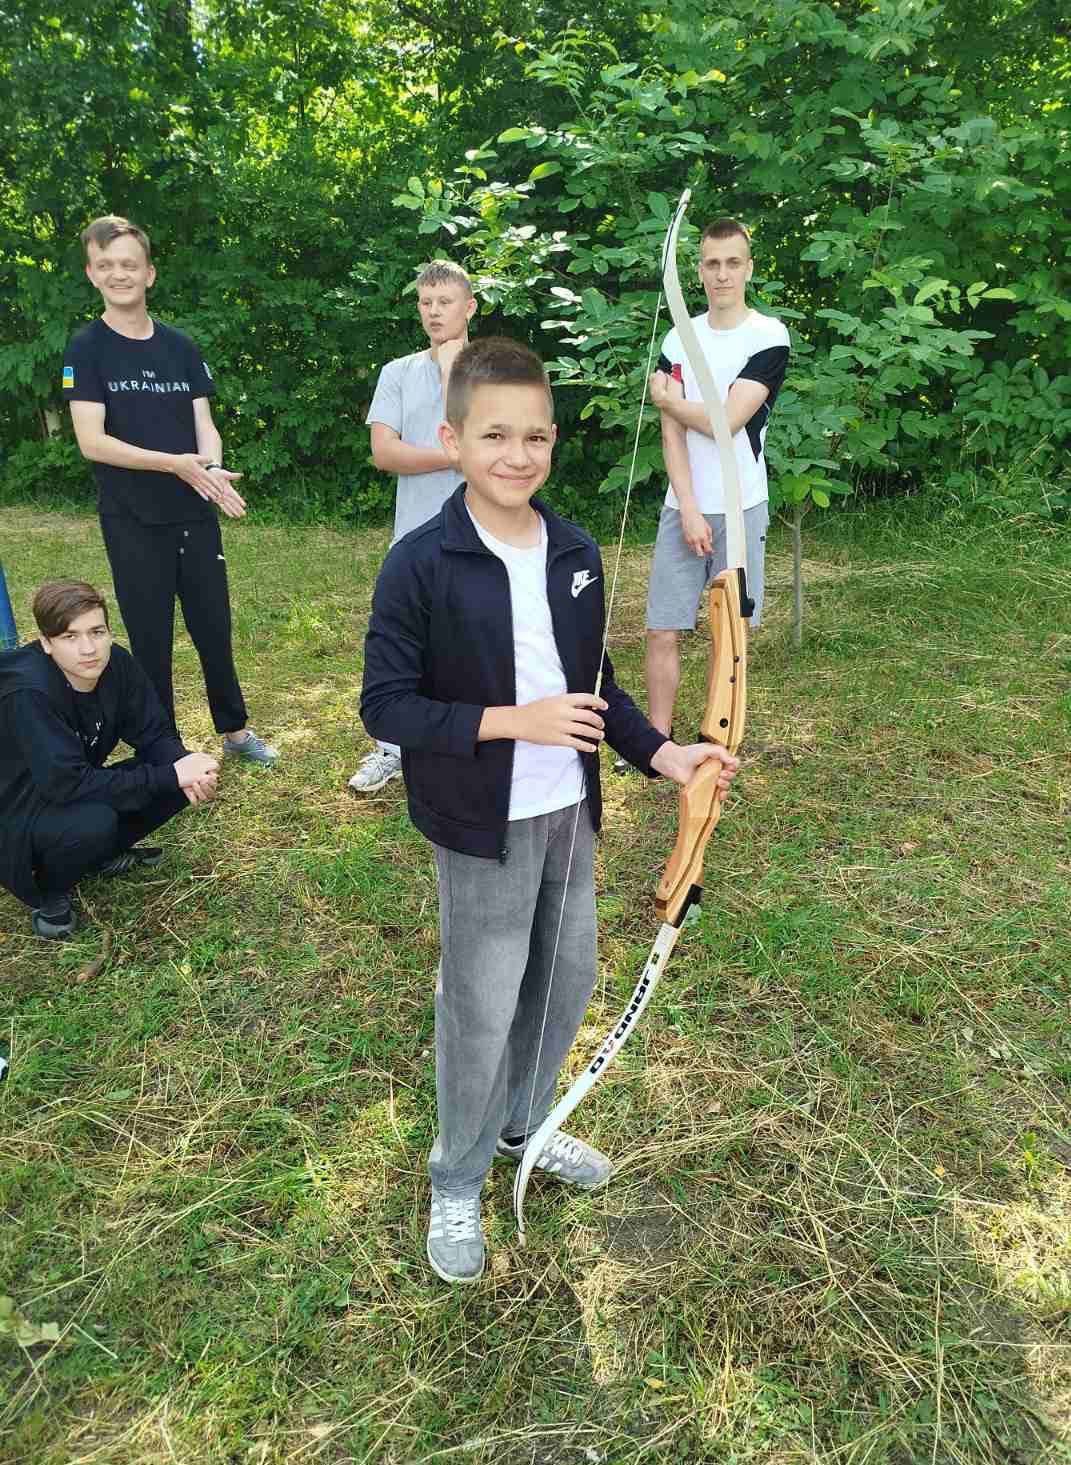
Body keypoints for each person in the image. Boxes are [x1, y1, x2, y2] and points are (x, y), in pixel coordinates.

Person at [360, 338, 739, 1283]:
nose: (516, 455)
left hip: (568, 812)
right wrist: (510, 721)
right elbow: (386, 705)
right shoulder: (420, 563)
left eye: (534, 436)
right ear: (452, 439)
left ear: (554, 440)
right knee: (481, 1000)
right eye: (493, 435)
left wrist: (663, 753)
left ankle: (523, 1124)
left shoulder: (572, 549)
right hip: (479, 823)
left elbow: (594, 681)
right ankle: (456, 1173)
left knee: (565, 980)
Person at [62, 215, 277, 763]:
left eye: (129, 264)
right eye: (106, 265)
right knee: (150, 639)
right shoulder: (85, 349)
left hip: (193, 515)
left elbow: (205, 423)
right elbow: (92, 441)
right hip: (131, 518)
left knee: (213, 628)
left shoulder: (180, 347)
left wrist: (211, 469)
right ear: (91, 273)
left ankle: (235, 731)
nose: (119, 274)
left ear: (149, 273)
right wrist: (175, 466)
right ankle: (164, 747)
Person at [0, 580, 220, 940]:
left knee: (175, 776)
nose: (88, 649)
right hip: (15, 812)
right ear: (46, 643)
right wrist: (170, 775)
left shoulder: (116, 663)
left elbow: (155, 734)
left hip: (70, 788)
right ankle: (49, 889)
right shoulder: (29, 692)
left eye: (97, 632)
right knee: (96, 821)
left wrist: (187, 768)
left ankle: (97, 856)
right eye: (70, 637)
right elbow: (66, 784)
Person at [642, 216, 790, 741]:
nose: (722, 274)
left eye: (732, 263)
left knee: (729, 633)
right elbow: (673, 434)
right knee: (662, 628)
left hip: (741, 505)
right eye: (712, 264)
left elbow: (730, 421)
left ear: (748, 268)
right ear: (699, 271)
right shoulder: (679, 338)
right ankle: (656, 738)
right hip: (682, 504)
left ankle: (715, 736)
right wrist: (687, 506)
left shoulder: (769, 335)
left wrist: (671, 402)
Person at [348, 260, 476, 795]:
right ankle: (392, 748)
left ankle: (466, 745)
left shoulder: (493, 370)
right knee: (405, 642)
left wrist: (451, 373)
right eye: (426, 302)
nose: (434, 312)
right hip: (414, 535)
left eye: (445, 302)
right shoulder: (397, 372)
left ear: (469, 307)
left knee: (473, 641)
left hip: (480, 532)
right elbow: (385, 452)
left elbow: (488, 442)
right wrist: (455, 458)